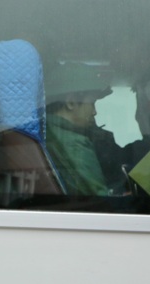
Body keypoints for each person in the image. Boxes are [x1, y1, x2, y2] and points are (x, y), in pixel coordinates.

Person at [45, 62, 113, 196]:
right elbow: (102, 203)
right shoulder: (75, 146)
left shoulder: (48, 132)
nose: (94, 112)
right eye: (92, 103)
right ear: (71, 102)